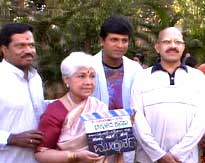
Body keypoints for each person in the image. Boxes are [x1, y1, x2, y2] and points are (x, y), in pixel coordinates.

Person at [131, 27, 205, 163]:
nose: (173, 46)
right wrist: (158, 155)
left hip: (186, 159)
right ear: (157, 47)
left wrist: (179, 153)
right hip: (148, 159)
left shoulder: (198, 78)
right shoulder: (141, 78)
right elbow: (137, 120)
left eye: (178, 42)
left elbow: (201, 121)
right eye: (167, 41)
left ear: (183, 47)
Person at [35, 52, 122, 163]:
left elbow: (113, 145)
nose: (88, 82)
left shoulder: (99, 107)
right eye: (81, 76)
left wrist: (124, 127)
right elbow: (41, 154)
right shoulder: (55, 111)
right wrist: (75, 156)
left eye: (92, 76)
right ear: (66, 80)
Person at [92, 15, 143, 163]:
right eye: (114, 40)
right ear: (102, 41)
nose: (120, 45)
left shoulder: (135, 69)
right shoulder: (88, 67)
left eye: (124, 40)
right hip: (95, 138)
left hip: (127, 136)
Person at [0, 23, 47, 163]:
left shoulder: (35, 78)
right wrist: (11, 138)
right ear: (4, 49)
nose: (28, 50)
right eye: (20, 46)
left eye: (31, 45)